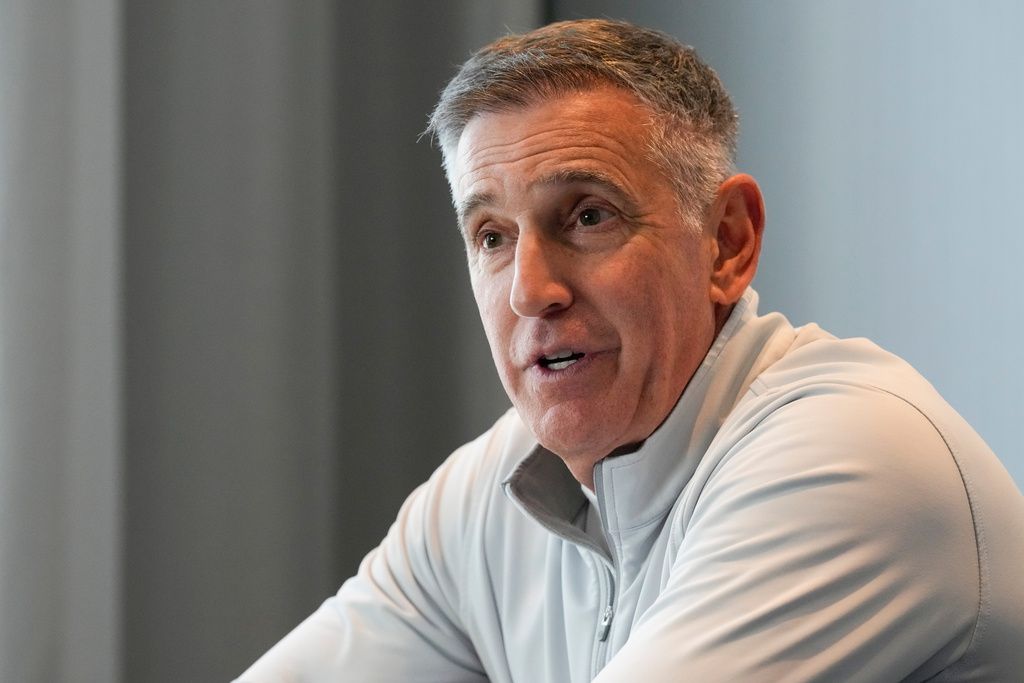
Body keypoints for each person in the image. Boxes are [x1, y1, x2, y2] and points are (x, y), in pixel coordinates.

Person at [236, 19, 1024, 682]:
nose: (529, 291)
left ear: (727, 242)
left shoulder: (853, 457)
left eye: (587, 216)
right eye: (492, 237)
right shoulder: (485, 497)